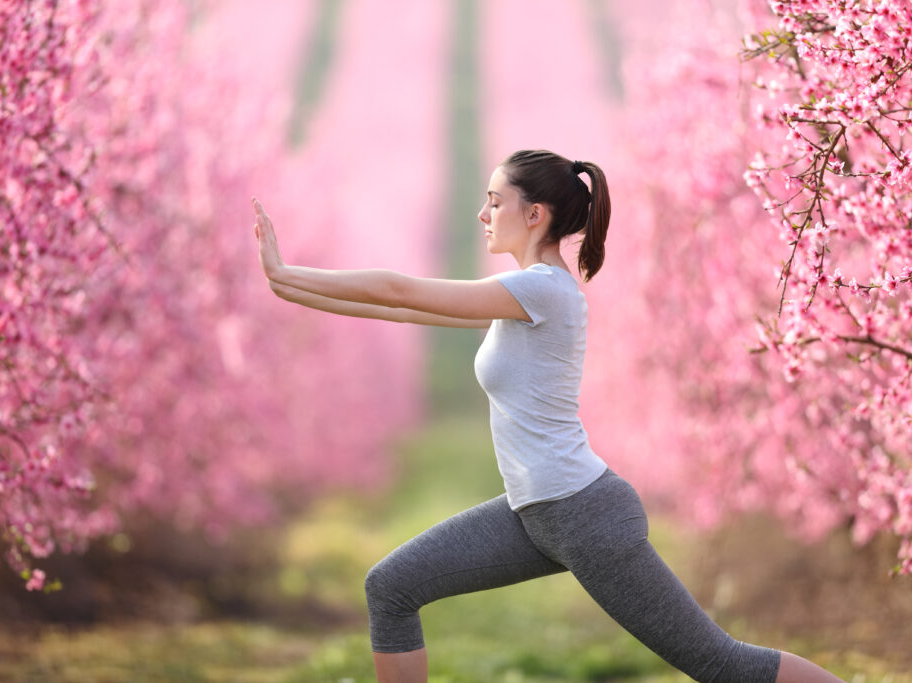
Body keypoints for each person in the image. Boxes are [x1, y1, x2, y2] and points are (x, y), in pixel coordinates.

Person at [251, 150, 846, 683]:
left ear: (534, 214)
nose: (483, 215)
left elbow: (401, 291)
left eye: (494, 202)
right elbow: (405, 313)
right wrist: (288, 288)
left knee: (722, 665)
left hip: (585, 515)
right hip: (534, 514)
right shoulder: (520, 296)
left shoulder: (542, 292)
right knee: (392, 587)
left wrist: (289, 272)